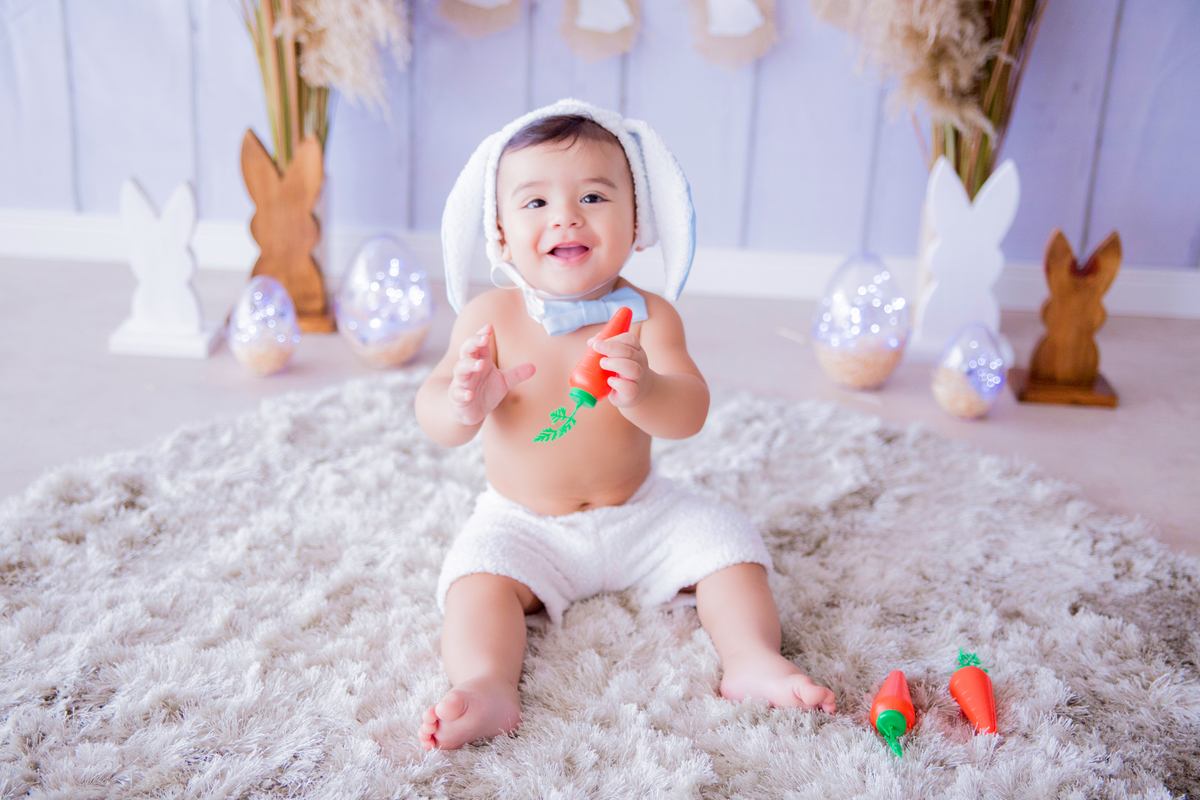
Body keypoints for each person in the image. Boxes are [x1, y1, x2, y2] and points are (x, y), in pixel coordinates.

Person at [415, 100, 836, 751]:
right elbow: (434, 411)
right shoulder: (487, 317)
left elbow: (690, 410)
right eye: (534, 203)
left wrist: (645, 390)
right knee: (474, 580)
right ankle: (488, 684)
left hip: (642, 512)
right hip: (524, 524)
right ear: (498, 232)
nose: (566, 216)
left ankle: (750, 659)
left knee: (730, 542)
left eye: (592, 194)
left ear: (637, 221)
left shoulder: (649, 317)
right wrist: (465, 402)